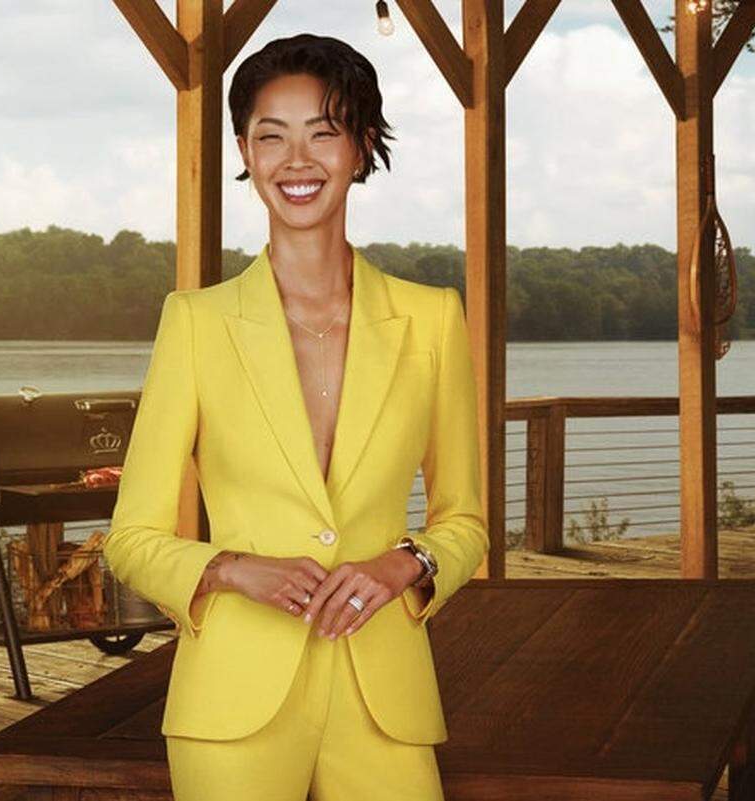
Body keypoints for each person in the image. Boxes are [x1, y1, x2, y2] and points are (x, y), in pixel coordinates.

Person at [102, 32, 488, 801]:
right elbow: (133, 537)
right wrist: (231, 567)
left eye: (323, 131)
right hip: (231, 701)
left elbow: (465, 520)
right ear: (246, 150)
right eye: (271, 136)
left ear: (361, 146)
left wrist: (402, 563)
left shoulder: (433, 320)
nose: (297, 159)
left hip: (385, 696)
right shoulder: (195, 323)